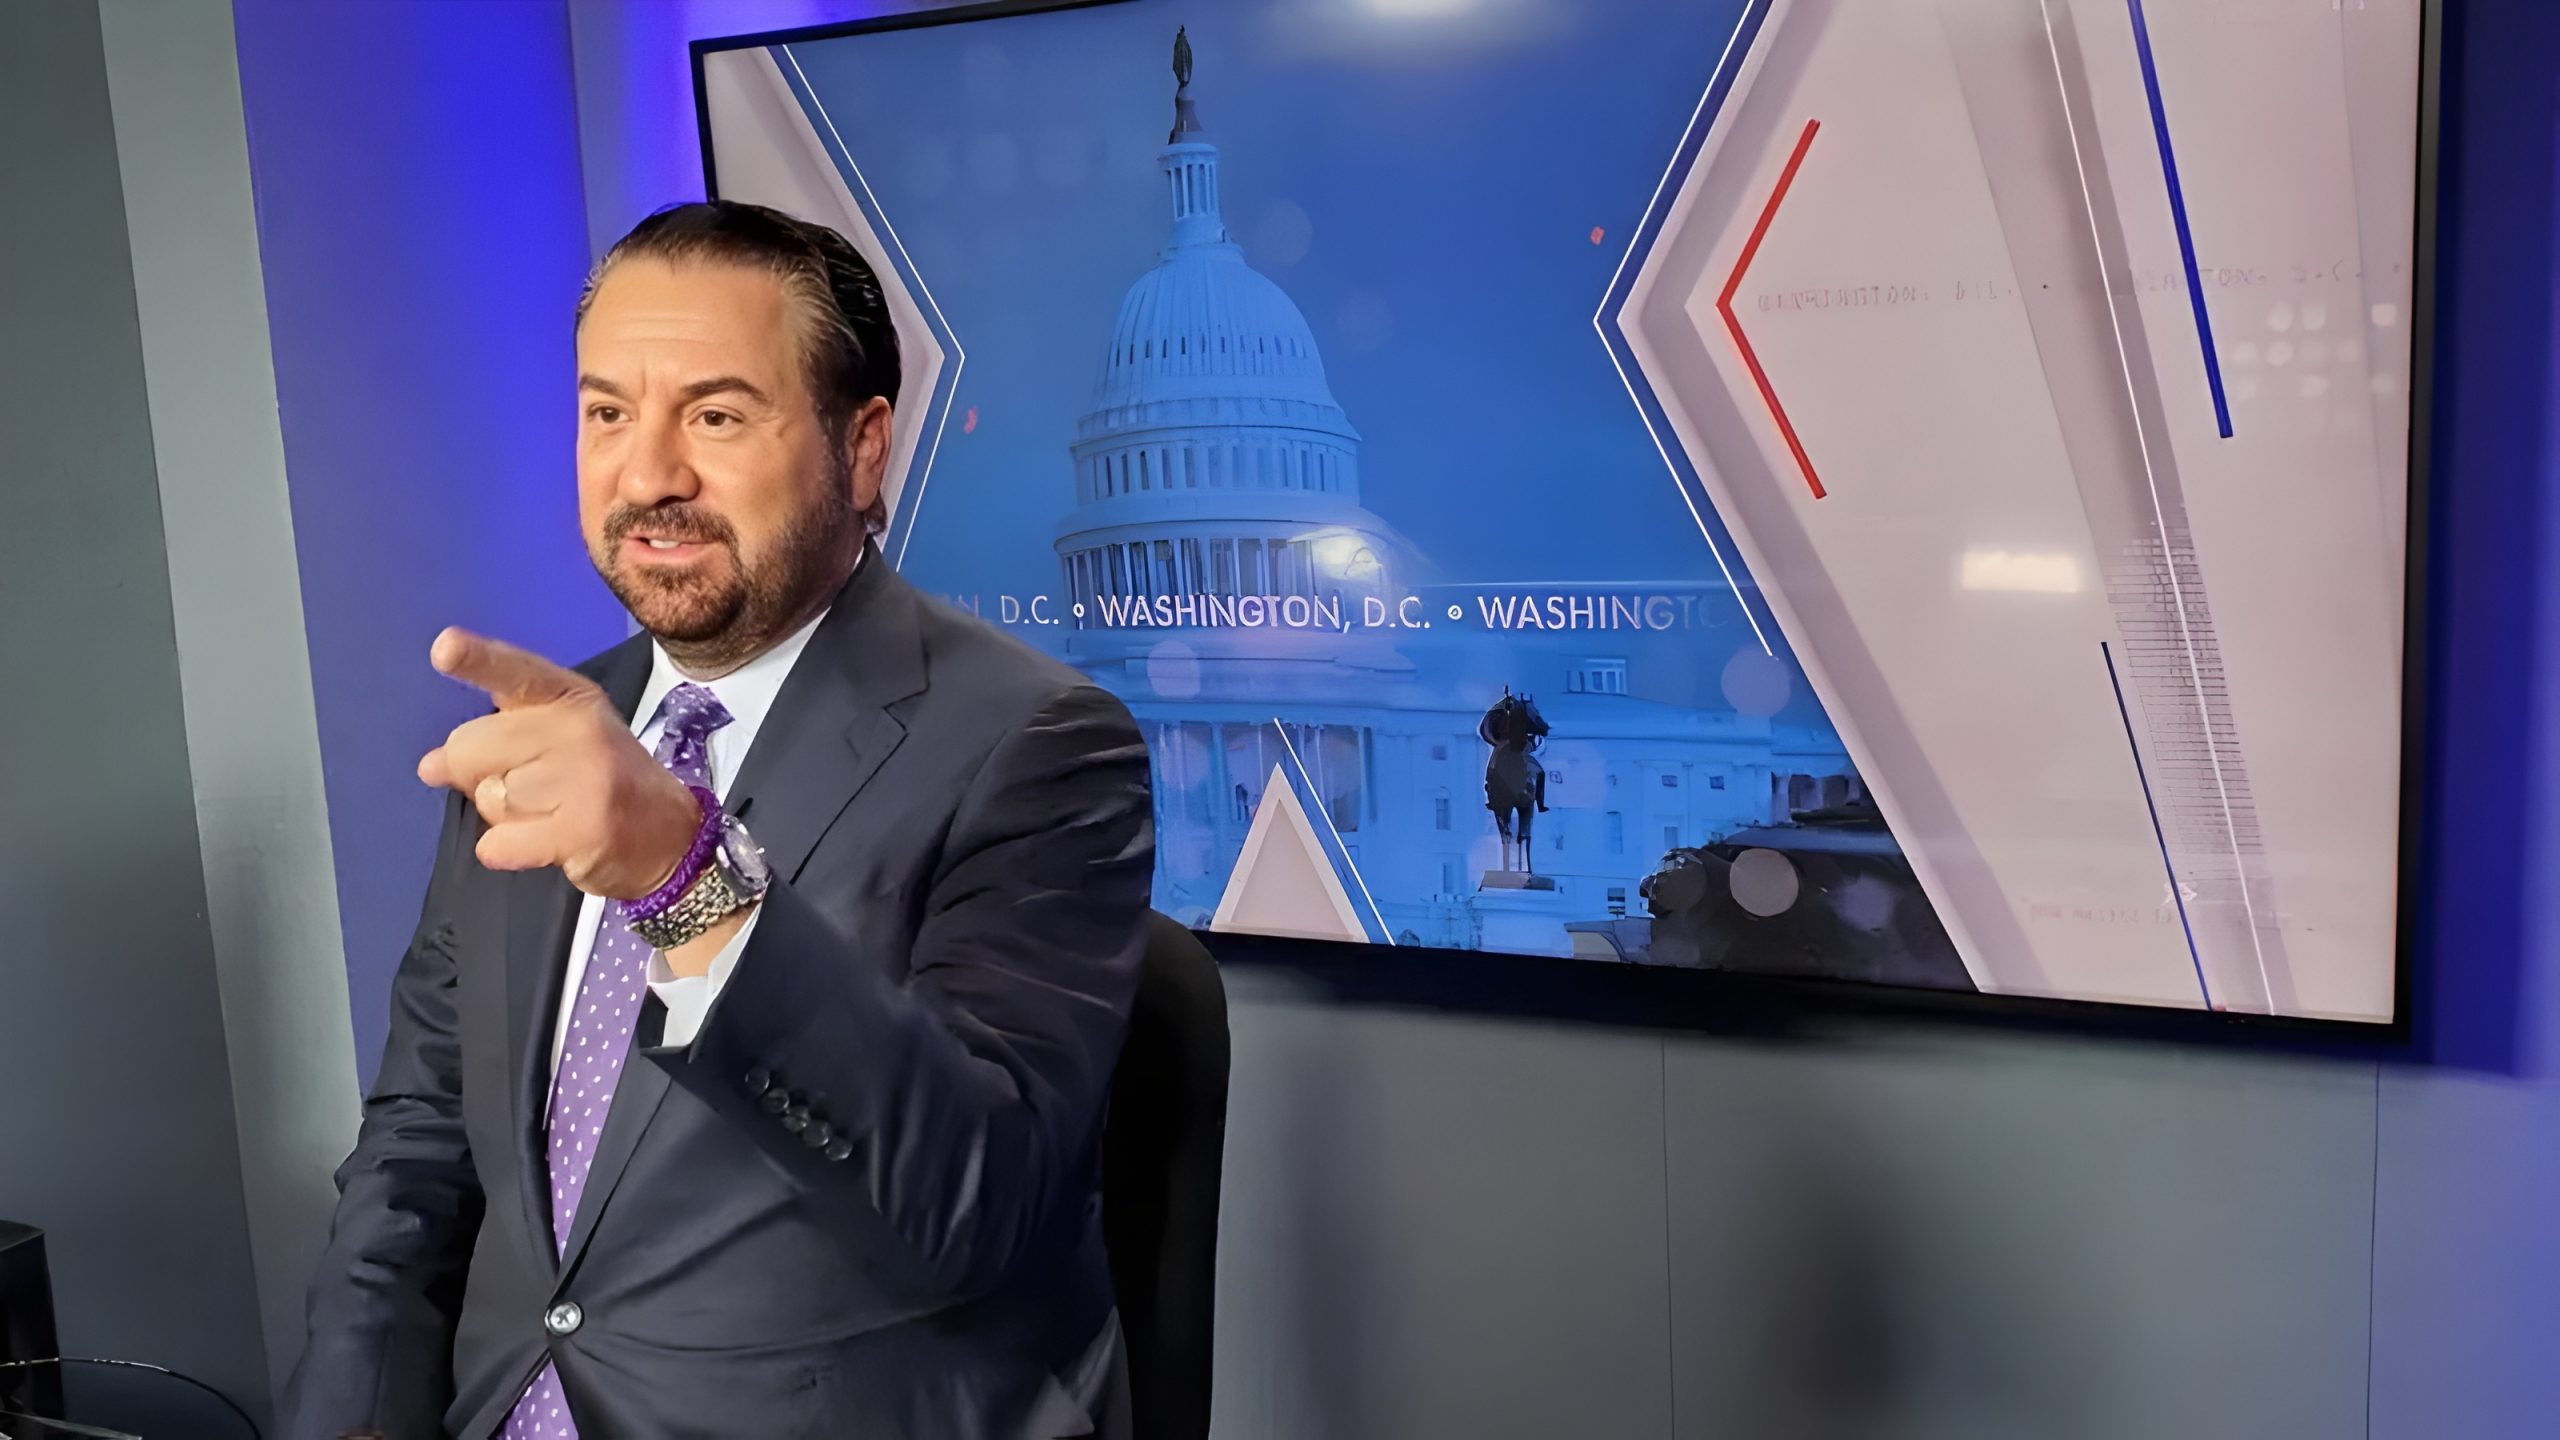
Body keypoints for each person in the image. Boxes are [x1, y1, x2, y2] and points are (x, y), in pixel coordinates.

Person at [283, 201, 1154, 1439]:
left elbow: (980, 1204)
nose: (648, 477)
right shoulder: (549, 730)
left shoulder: (1039, 743)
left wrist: (685, 881)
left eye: (716, 416)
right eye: (607, 414)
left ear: (864, 450)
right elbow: (418, 1146)